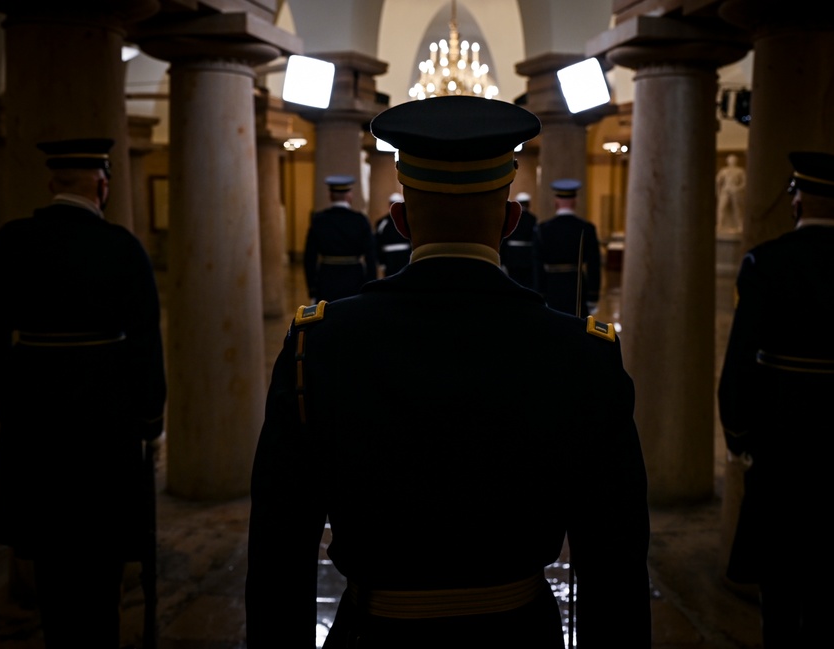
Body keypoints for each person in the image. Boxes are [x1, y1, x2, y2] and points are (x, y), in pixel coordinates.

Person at [247, 96, 650, 648]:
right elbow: (615, 564)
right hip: (518, 635)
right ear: (511, 221)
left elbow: (278, 552)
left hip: (376, 633)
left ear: (401, 220)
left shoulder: (317, 344)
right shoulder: (581, 353)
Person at [0, 138, 167, 649]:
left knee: (52, 560)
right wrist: (150, 417)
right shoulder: (122, 247)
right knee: (100, 564)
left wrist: (12, 407)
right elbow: (146, 342)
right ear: (102, 186)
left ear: (52, 182)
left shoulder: (12, 241)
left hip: (34, 427)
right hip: (106, 428)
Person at [718, 151, 834, 648]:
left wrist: (738, 433)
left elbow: (738, 360)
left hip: (777, 425)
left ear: (796, 201)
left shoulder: (766, 261)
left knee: (780, 576)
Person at [533, 179, 601, 317]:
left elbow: (537, 265)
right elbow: (594, 264)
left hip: (551, 286)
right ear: (575, 202)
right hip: (577, 286)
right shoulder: (586, 228)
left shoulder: (543, 229)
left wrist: (539, 293)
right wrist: (593, 296)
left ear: (556, 202)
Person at [304, 175, 378, 301]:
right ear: (349, 196)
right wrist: (370, 284)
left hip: (327, 278)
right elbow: (371, 255)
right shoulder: (360, 220)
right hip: (355, 278)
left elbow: (309, 257)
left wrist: (312, 287)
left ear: (330, 196)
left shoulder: (319, 220)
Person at [499, 191, 538, 289]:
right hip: (527, 256)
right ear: (528, 204)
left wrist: (503, 259)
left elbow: (506, 238)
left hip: (512, 256)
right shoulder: (533, 219)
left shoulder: (512, 217)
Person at [375, 191, 411, 276]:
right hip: (390, 258)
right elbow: (377, 243)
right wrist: (382, 261)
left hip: (404, 256)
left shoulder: (408, 221)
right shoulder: (383, 222)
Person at [716, 153, 746, 233]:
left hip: (735, 191)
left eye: (733, 160)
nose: (732, 161)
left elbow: (744, 183)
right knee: (722, 208)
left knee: (737, 208)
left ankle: (740, 225)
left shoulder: (740, 171)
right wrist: (719, 192)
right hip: (726, 190)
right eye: (730, 160)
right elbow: (718, 182)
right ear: (727, 161)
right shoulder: (724, 170)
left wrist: (737, 188)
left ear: (736, 161)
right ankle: (720, 225)